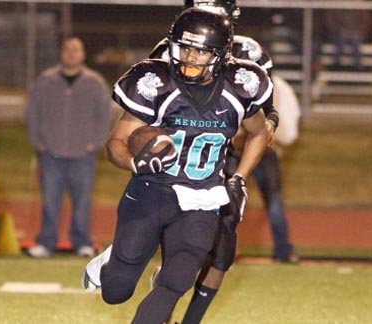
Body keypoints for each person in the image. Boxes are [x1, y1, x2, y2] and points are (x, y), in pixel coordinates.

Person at [81, 6, 271, 324]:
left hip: (201, 198)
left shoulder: (240, 86)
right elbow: (115, 143)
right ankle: (109, 262)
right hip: (151, 190)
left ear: (222, 54)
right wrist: (135, 162)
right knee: (116, 291)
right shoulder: (155, 81)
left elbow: (259, 133)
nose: (190, 57)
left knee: (175, 282)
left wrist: (238, 178)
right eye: (185, 47)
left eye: (200, 51)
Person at [148, 2, 299, 323]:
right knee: (175, 236)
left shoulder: (249, 53)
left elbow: (267, 113)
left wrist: (253, 134)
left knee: (223, 249)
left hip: (227, 157)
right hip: (183, 157)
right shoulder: (168, 50)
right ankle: (161, 310)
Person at [25, 36, 111, 258]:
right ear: (61, 53)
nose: (71, 53)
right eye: (67, 49)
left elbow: (104, 116)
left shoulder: (95, 83)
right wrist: (38, 141)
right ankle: (46, 242)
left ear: (83, 54)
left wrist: (96, 142)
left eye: (76, 49)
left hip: (83, 154)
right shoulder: (45, 81)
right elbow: (32, 113)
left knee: (82, 201)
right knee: (50, 199)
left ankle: (82, 242)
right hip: (50, 153)